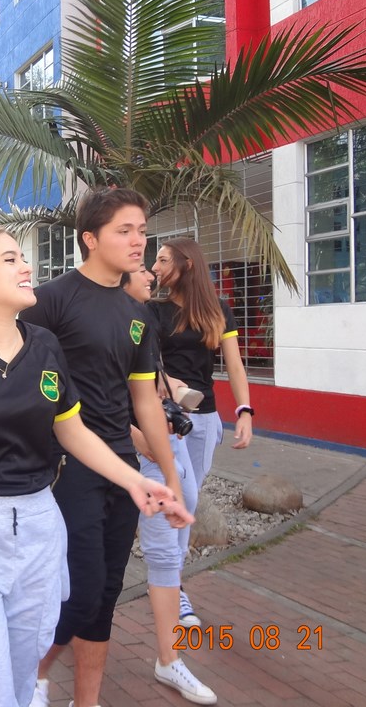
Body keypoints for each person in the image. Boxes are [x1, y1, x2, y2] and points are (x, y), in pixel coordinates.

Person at [0, 226, 191, 707]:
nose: (26, 267)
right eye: (10, 259)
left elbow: (73, 431)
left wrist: (134, 480)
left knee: (23, 683)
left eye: (22, 258)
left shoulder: (45, 346)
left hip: (39, 530)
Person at [19, 187, 184, 707]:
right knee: (82, 591)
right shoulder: (50, 301)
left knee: (106, 593)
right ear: (90, 238)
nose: (138, 242)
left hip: (122, 466)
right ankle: (29, 675)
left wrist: (170, 477)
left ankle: (85, 701)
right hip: (68, 466)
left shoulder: (138, 314)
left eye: (142, 231)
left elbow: (144, 400)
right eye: (124, 231)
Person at [123, 267, 217, 704]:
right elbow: (97, 397)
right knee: (149, 548)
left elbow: (149, 381)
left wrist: (174, 388)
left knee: (185, 509)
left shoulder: (146, 320)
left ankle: (174, 606)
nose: (149, 274)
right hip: (136, 451)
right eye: (141, 268)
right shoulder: (106, 321)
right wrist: (134, 435)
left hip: (165, 442)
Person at [150, 236, 253, 628]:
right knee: (183, 495)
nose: (155, 267)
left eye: (163, 260)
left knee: (186, 503)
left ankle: (171, 580)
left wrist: (244, 411)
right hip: (168, 417)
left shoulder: (218, 310)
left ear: (187, 264)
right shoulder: (153, 310)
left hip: (205, 419)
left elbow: (235, 365)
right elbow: (146, 364)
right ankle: (173, 587)